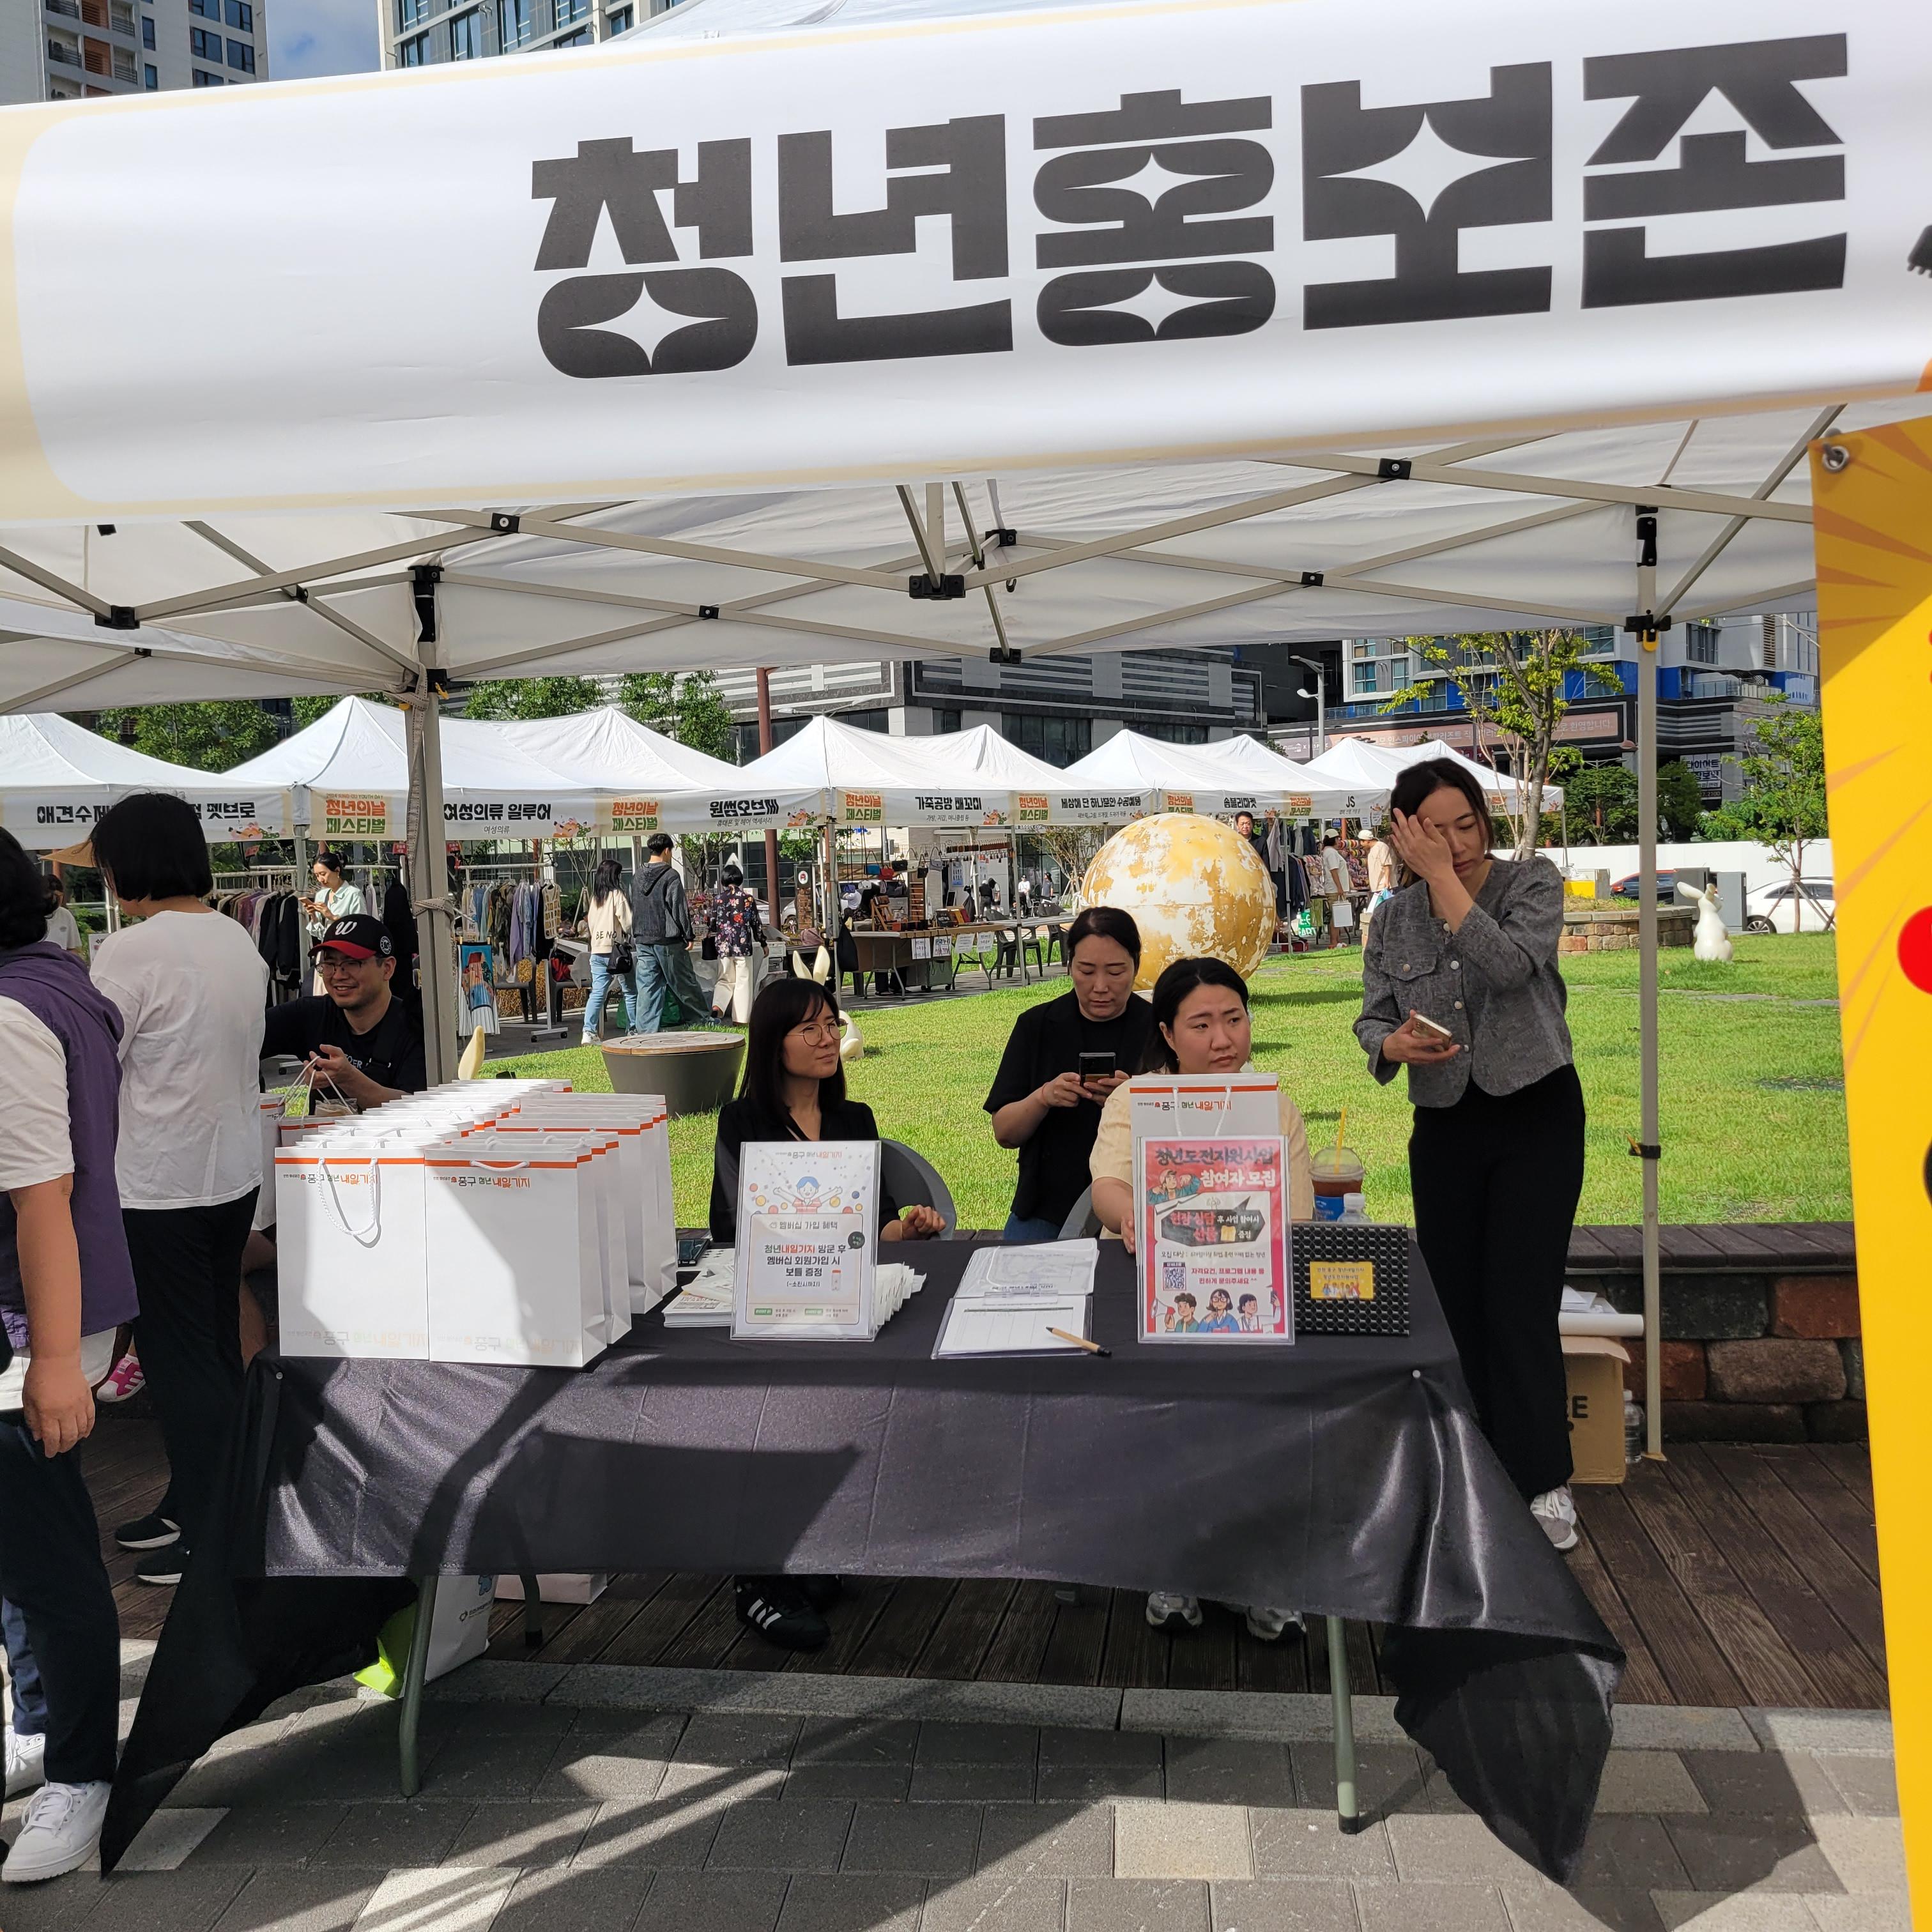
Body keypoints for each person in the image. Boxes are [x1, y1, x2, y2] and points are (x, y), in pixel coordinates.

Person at [1353, 758, 1584, 1551]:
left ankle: (1544, 1477)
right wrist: (1391, 1044)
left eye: (1466, 825)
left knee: (1520, 1298)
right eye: (1434, 830)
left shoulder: (1530, 883)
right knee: (1455, 1298)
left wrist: (1443, 880)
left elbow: (1511, 965)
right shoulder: (1391, 919)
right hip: (1446, 1120)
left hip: (1535, 1110)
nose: (1455, 842)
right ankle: (1475, 1463)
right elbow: (1371, 1016)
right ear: (1401, 832)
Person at [709, 976, 944, 1649]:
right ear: (771, 1042)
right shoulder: (742, 1123)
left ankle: (809, 1549)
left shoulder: (854, 1120)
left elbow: (873, 1225)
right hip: (774, 1302)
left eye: (833, 1025)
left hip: (845, 1300)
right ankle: (757, 1580)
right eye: (808, 1028)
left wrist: (906, 1229)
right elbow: (731, 1226)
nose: (827, 1039)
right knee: (771, 1414)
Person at [1090, 956, 1313, 1640]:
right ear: (1167, 1033)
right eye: (1202, 1024)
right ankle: (1176, 1560)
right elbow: (1108, 1188)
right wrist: (1132, 1215)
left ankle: (1260, 1571)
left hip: (1251, 1289)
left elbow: (1297, 1215)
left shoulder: (1273, 1104)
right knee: (1171, 1408)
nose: (1223, 1040)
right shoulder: (1138, 1100)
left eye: (1235, 1019)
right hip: (1149, 1286)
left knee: (1259, 1412)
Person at [0, 829, 136, 1882]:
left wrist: (51, 1359)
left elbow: (41, 1196)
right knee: (26, 1549)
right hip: (38, 1317)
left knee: (44, 1557)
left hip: (25, 1323)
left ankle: (82, 1767)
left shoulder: (14, 1008)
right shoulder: (54, 983)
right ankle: (48, 1727)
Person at [88, 793, 266, 1589]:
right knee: (213, 1349)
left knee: (179, 1360)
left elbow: (93, 1062)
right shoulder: (234, 937)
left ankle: (211, 1529)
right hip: (228, 1175)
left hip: (157, 1183)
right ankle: (198, 1499)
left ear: (130, 864)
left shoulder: (131, 952)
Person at [985, 906, 1154, 1241]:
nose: (1100, 986)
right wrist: (1044, 1097)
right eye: (1086, 971)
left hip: (1139, 1209)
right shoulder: (1036, 1026)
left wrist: (1136, 1101)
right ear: (1069, 966)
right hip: (1045, 1209)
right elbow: (1005, 1132)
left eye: (1116, 971)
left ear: (1136, 966)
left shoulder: (1160, 1030)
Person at [262, 914, 426, 1107]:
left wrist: (349, 1080)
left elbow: (419, 1108)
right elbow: (241, 1039)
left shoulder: (415, 1026)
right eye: (330, 964)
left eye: (352, 963)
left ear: (387, 968)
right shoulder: (310, 1014)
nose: (338, 975)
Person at [630, 832, 708, 1033]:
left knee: (648, 987)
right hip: (668, 939)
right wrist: (688, 934)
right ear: (667, 851)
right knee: (684, 982)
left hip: (642, 937)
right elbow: (678, 907)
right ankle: (701, 1020)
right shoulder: (671, 875)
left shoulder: (636, 876)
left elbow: (634, 905)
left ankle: (646, 1031)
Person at [579, 857, 637, 1044]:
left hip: (597, 950)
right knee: (630, 990)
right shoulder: (617, 895)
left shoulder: (595, 899)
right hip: (616, 951)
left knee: (598, 993)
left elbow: (591, 924)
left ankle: (588, 1031)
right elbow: (628, 924)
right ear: (614, 876)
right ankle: (633, 1030)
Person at [707, 862, 764, 1024]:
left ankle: (718, 1006)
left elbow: (712, 923)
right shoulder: (748, 899)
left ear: (724, 880)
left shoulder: (718, 899)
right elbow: (756, 923)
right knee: (743, 982)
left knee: (724, 978)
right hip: (743, 946)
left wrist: (712, 931)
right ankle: (740, 1019)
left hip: (723, 946)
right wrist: (763, 942)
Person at [300, 852, 364, 993]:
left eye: (323, 874)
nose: (321, 879)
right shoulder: (321, 895)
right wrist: (313, 916)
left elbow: (361, 928)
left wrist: (332, 917)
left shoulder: (353, 894)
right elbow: (320, 934)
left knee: (343, 992)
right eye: (317, 875)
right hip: (325, 955)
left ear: (337, 871)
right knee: (322, 993)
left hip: (346, 956)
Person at [1363, 822, 1397, 935]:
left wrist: (1387, 881)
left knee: (1386, 912)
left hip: (1384, 886)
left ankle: (1388, 933)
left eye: (1362, 841)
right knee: (1377, 912)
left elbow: (1387, 865)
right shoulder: (1371, 850)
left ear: (1367, 841)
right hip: (1376, 887)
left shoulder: (1382, 847)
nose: (1361, 844)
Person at [42, 884, 82, 959]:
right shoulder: (31, 916)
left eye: (60, 896)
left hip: (61, 961)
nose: (57, 900)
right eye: (54, 896)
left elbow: (72, 949)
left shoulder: (66, 914)